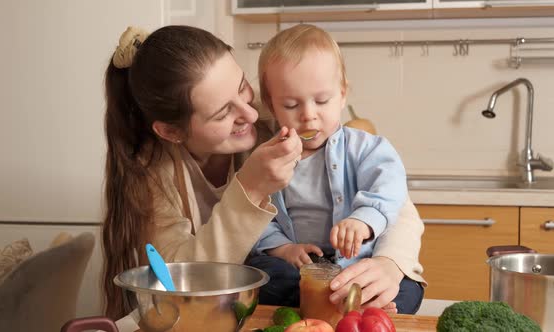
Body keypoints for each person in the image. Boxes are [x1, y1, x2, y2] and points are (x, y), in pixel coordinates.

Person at [101, 25, 425, 320]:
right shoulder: (152, 176)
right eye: (224, 112)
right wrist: (250, 191)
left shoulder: (285, 127)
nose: (252, 113)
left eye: (243, 87)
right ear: (172, 132)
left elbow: (399, 208)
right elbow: (176, 282)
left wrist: (389, 264)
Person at [248, 24, 424, 314]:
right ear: (271, 105)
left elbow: (391, 188)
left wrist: (364, 220)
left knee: (408, 286)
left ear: (342, 95)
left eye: (322, 100)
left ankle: (366, 304)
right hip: (301, 268)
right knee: (263, 274)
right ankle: (338, 306)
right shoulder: (267, 159)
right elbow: (256, 215)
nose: (308, 115)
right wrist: (282, 248)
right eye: (291, 104)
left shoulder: (367, 148)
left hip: (356, 263)